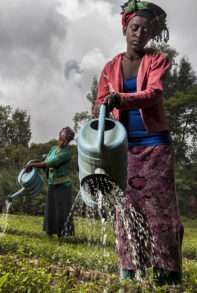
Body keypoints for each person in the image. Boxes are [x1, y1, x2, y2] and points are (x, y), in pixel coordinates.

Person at [93, 0, 183, 286]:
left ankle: (166, 271)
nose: (139, 34)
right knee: (126, 209)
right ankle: (131, 269)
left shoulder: (157, 60)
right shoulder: (110, 67)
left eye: (146, 30)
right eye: (134, 28)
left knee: (159, 209)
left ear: (151, 35)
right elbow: (98, 105)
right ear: (125, 28)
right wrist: (102, 110)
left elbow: (154, 93)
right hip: (123, 148)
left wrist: (121, 99)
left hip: (155, 145)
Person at [25, 127, 75, 239]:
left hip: (63, 186)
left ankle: (61, 234)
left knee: (61, 211)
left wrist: (32, 165)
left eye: (66, 141)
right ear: (59, 137)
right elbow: (45, 161)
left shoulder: (66, 153)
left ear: (68, 141)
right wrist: (33, 162)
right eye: (62, 139)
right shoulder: (53, 149)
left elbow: (50, 163)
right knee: (51, 209)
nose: (63, 142)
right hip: (53, 184)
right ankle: (49, 232)